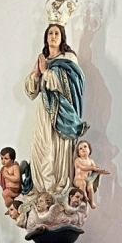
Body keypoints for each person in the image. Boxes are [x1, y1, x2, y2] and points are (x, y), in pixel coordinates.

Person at [23, 22, 87, 195]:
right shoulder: (43, 60)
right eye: (50, 33)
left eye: (56, 33)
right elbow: (31, 92)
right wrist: (37, 73)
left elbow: (66, 87)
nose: (53, 36)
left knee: (56, 148)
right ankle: (42, 189)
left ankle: (57, 188)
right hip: (44, 110)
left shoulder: (68, 59)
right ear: (45, 37)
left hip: (61, 113)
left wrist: (46, 72)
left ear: (62, 37)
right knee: (42, 146)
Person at [71, 139, 110, 209]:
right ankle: (84, 197)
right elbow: (83, 167)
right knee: (82, 183)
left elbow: (95, 170)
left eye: (85, 147)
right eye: (80, 148)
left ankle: (91, 202)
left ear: (89, 149)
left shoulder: (91, 161)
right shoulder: (78, 160)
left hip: (87, 180)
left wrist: (101, 171)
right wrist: (92, 168)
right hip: (78, 180)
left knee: (90, 187)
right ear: (78, 153)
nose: (83, 149)